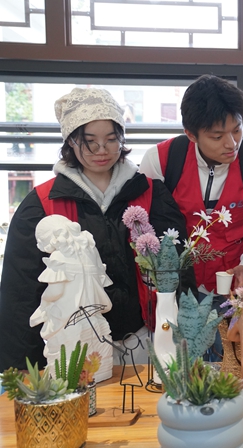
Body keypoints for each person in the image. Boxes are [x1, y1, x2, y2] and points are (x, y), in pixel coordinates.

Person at [0, 88, 187, 371]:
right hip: (73, 348)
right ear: (71, 141)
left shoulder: (151, 194)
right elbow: (21, 293)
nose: (102, 150)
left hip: (145, 339)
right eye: (90, 142)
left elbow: (178, 271)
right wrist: (22, 367)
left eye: (111, 139)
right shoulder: (42, 204)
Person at [139, 74, 243, 293]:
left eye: (236, 130)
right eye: (217, 137)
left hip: (234, 287)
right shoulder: (160, 160)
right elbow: (142, 226)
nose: (231, 144)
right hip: (175, 285)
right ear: (191, 134)